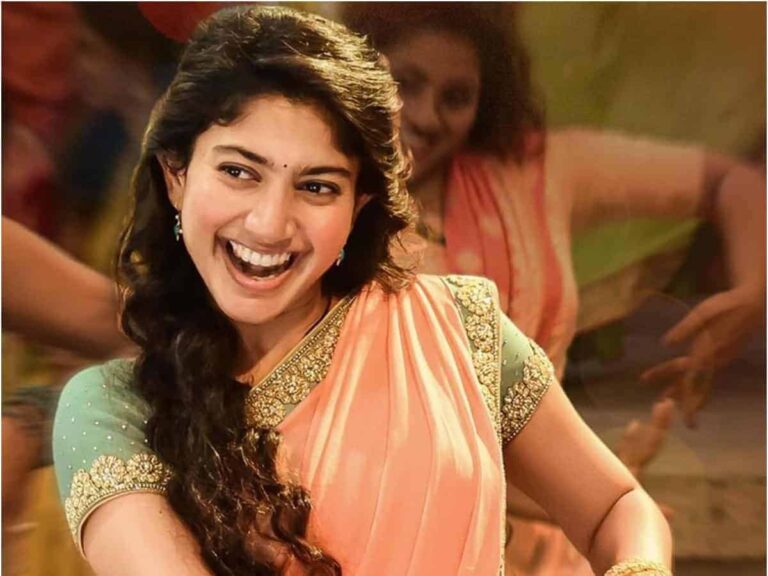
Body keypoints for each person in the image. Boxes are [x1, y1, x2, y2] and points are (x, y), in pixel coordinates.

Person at [52, 6, 673, 576]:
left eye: (317, 186)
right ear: (177, 177)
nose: (269, 223)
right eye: (239, 171)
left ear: (359, 205)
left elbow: (616, 508)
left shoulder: (457, 330)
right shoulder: (113, 409)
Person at [340, 5, 765, 575]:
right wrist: (587, 490)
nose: (426, 115)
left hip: (558, 550)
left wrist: (753, 289)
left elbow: (732, 182)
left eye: (456, 97)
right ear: (363, 70)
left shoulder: (537, 173)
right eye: (405, 83)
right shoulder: (319, 206)